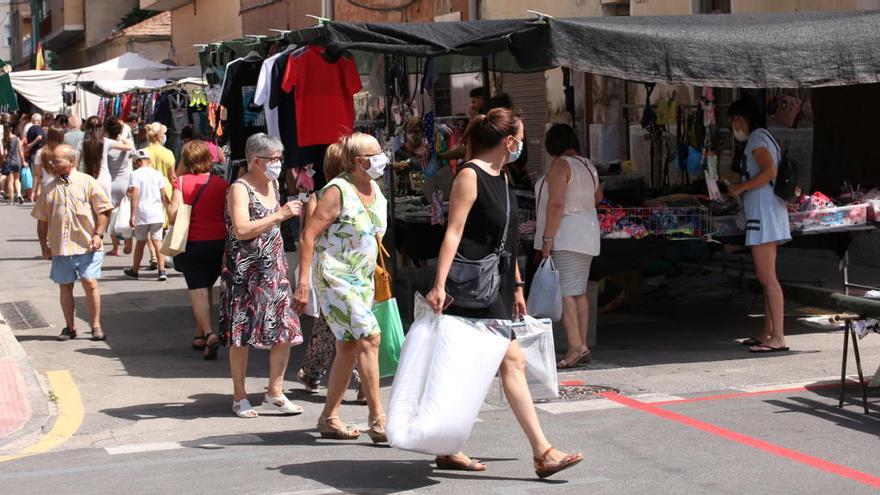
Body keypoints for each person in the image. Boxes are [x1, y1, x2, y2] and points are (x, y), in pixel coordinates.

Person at [425, 108, 584, 478]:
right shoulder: (470, 175)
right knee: (506, 362)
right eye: (521, 137)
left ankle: (452, 446)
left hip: (495, 287)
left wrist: (516, 284)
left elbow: (506, 240)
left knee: (492, 365)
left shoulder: (503, 175)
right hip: (468, 289)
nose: (523, 145)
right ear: (509, 141)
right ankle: (541, 451)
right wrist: (438, 284)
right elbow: (454, 232)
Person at [294, 132, 388, 443]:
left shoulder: (374, 187)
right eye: (375, 154)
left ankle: (329, 417)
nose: (381, 158)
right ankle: (379, 420)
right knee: (370, 338)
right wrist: (303, 284)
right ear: (359, 162)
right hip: (335, 277)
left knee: (347, 346)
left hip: (361, 279)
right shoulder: (337, 191)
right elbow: (308, 236)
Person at [219, 133, 304, 418]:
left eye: (280, 158)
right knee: (241, 335)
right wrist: (279, 215)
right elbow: (242, 229)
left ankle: (275, 392)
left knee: (285, 329)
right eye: (275, 159)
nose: (279, 164)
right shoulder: (239, 189)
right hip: (245, 271)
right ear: (257, 160)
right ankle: (239, 396)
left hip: (273, 269)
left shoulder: (273, 184)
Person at [295, 142, 363, 398]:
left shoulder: (322, 195)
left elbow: (307, 236)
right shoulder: (341, 195)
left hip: (336, 271)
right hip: (340, 272)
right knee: (347, 326)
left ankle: (313, 373)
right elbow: (310, 237)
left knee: (333, 324)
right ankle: (361, 382)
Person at [727, 96, 791, 354]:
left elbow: (769, 171)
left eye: (733, 120)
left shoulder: (756, 138)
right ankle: (767, 332)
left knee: (768, 278)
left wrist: (740, 187)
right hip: (767, 213)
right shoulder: (765, 136)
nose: (733, 125)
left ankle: (778, 337)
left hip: (764, 215)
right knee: (767, 278)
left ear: (742, 119)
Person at [535, 124, 603, 368]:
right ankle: (582, 345)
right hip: (589, 232)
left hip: (567, 233)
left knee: (565, 291)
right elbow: (598, 198)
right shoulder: (587, 164)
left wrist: (547, 238)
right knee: (579, 291)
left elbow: (556, 205)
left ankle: (575, 347)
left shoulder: (560, 165)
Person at [32, 144, 113, 341]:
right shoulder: (49, 189)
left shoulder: (87, 182)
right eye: (52, 161)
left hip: (88, 245)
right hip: (61, 247)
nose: (53, 165)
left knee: (90, 283)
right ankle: (70, 327)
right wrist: (44, 246)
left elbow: (104, 210)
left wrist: (98, 234)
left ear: (72, 161)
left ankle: (95, 326)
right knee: (65, 286)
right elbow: (42, 220)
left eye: (57, 161)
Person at [168, 140, 229, 359]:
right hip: (219, 243)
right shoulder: (221, 184)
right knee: (206, 289)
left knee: (198, 291)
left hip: (192, 243)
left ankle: (210, 334)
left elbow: (173, 214)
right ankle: (200, 335)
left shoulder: (181, 183)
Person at [123, 150, 170, 281]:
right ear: (148, 161)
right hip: (156, 212)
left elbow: (134, 195)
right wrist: (168, 211)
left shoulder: (135, 174)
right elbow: (163, 195)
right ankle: (162, 270)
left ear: (137, 162)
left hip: (142, 213)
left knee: (140, 242)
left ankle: (135, 270)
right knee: (157, 241)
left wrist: (132, 215)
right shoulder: (158, 174)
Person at [101, 116, 135, 257]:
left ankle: (116, 246)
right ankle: (127, 238)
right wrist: (123, 138)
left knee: (110, 215)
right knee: (125, 212)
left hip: (111, 182)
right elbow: (132, 149)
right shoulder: (125, 145)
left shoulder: (106, 144)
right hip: (125, 181)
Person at [33, 125, 65, 199]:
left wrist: (34, 190)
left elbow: (37, 174)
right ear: (62, 136)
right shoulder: (66, 152)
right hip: (64, 186)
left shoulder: (41, 152)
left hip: (46, 185)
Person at [4, 122, 25, 204]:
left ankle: (11, 200)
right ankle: (19, 194)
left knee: (10, 181)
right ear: (11, 128)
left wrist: (4, 160)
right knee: (17, 180)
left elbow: (4, 153)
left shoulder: (4, 140)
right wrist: (23, 161)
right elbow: (20, 152)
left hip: (9, 162)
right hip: (17, 162)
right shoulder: (17, 139)